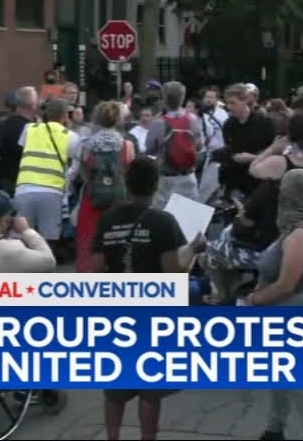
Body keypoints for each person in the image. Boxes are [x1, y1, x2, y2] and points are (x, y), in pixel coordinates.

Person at [93, 157, 206, 441]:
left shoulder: (108, 219)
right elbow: (172, 274)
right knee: (150, 390)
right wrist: (194, 249)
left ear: (127, 184)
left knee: (114, 389)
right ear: (156, 185)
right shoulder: (163, 221)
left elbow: (95, 270)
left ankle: (112, 437)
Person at [250, 170, 303, 441]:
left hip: (296, 313)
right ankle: (275, 427)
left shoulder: (301, 234)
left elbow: (286, 284)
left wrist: (254, 299)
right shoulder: (302, 225)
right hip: (285, 312)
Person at [75, 101, 135, 274]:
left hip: (93, 200)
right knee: (118, 243)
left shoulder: (87, 144)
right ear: (118, 120)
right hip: (119, 201)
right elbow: (129, 172)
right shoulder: (127, 145)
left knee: (90, 242)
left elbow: (84, 175)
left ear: (97, 119)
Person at [15, 98, 80, 248]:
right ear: (65, 115)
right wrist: (67, 179)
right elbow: (75, 166)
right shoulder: (70, 136)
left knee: (23, 238)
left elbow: (22, 149)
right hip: (52, 191)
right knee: (48, 241)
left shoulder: (29, 128)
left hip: (24, 187)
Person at [143, 81, 202, 205]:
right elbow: (199, 145)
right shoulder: (192, 119)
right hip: (188, 177)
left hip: (166, 179)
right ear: (183, 97)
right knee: (188, 214)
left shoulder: (158, 123)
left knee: (163, 214)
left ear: (164, 98)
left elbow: (150, 148)